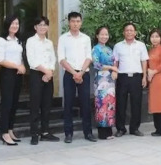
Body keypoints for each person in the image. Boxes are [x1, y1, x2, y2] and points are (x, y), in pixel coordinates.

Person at [57, 12, 95, 143]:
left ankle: (88, 132)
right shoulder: (63, 38)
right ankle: (68, 133)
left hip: (84, 74)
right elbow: (61, 59)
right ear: (69, 22)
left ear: (81, 22)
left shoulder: (86, 38)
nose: (75, 24)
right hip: (70, 74)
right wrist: (74, 73)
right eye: (73, 21)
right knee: (68, 103)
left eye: (78, 21)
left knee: (85, 104)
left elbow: (89, 57)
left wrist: (81, 72)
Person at [26, 16, 60, 145]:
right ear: (35, 27)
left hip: (48, 76)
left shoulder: (49, 43)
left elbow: (53, 59)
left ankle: (45, 132)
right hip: (36, 74)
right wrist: (45, 71)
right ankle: (34, 133)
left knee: (46, 105)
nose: (42, 27)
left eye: (45, 25)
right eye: (40, 25)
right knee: (35, 105)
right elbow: (32, 60)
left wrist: (49, 72)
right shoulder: (31, 41)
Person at [113, 22, 149, 137]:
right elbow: (115, 62)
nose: (129, 32)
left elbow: (144, 61)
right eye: (127, 30)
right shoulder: (118, 46)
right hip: (122, 77)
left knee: (136, 103)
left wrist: (144, 76)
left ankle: (134, 128)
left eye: (131, 30)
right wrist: (115, 72)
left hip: (136, 77)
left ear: (135, 33)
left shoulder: (141, 45)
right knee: (120, 103)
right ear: (123, 32)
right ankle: (121, 128)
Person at [0, 15, 25, 146]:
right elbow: (1, 60)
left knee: (14, 103)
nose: (15, 26)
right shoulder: (1, 40)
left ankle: (10, 129)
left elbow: (20, 57)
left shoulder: (18, 40)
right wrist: (17, 66)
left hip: (18, 74)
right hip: (7, 73)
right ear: (7, 25)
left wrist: (22, 66)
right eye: (12, 23)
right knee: (7, 103)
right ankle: (4, 132)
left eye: (17, 23)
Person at [92, 27, 117, 140]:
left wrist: (114, 70)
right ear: (97, 36)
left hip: (110, 79)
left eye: (106, 34)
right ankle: (102, 133)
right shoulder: (95, 49)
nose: (104, 36)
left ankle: (109, 130)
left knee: (110, 103)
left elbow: (115, 62)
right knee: (101, 104)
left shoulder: (109, 49)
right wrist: (111, 68)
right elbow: (96, 64)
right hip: (101, 79)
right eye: (102, 34)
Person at [147, 29, 161, 136]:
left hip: (159, 77)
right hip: (152, 79)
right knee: (154, 103)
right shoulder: (150, 50)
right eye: (152, 36)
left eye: (157, 36)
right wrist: (148, 72)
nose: (154, 39)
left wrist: (153, 72)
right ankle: (157, 128)